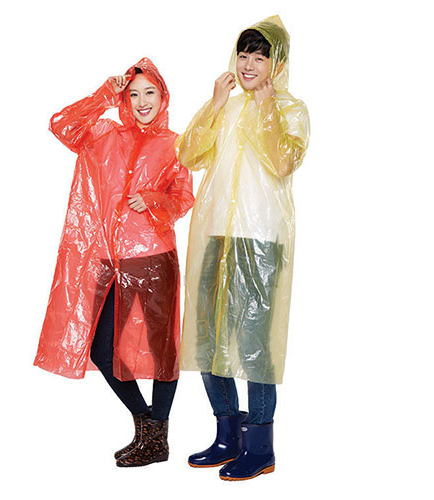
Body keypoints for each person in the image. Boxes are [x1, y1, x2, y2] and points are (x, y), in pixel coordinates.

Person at [34, 57, 194, 467]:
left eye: (150, 92)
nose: (142, 101)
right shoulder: (105, 134)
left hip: (155, 259)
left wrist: (154, 200)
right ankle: (147, 425)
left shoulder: (175, 144)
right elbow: (61, 125)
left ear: (163, 96)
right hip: (111, 261)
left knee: (162, 350)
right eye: (133, 94)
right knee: (103, 350)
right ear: (124, 98)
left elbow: (182, 199)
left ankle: (156, 439)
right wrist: (104, 94)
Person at [176, 16, 310, 481]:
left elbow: (282, 161)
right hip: (215, 235)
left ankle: (260, 447)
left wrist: (268, 106)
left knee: (255, 347)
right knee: (207, 339)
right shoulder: (227, 107)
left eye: (259, 56)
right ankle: (226, 435)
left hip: (260, 240)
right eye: (243, 54)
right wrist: (214, 105)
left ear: (278, 64)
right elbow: (188, 154)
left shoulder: (291, 109)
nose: (248, 64)